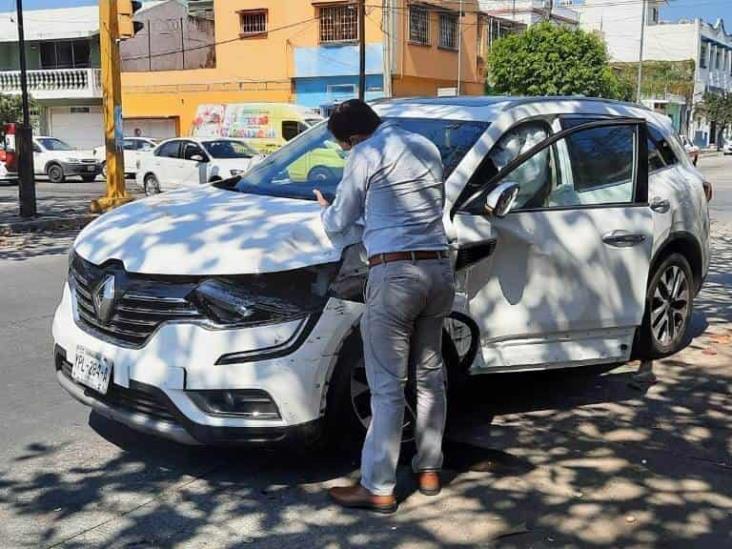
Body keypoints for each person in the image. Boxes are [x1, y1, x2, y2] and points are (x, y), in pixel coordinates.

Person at [314, 99, 455, 514]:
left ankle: (378, 487)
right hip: (439, 271)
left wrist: (327, 212)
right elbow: (416, 211)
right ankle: (429, 469)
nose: (345, 151)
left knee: (387, 386)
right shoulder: (424, 147)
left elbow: (341, 218)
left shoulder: (365, 153)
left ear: (353, 137)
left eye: (343, 145)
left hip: (395, 278)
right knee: (430, 377)